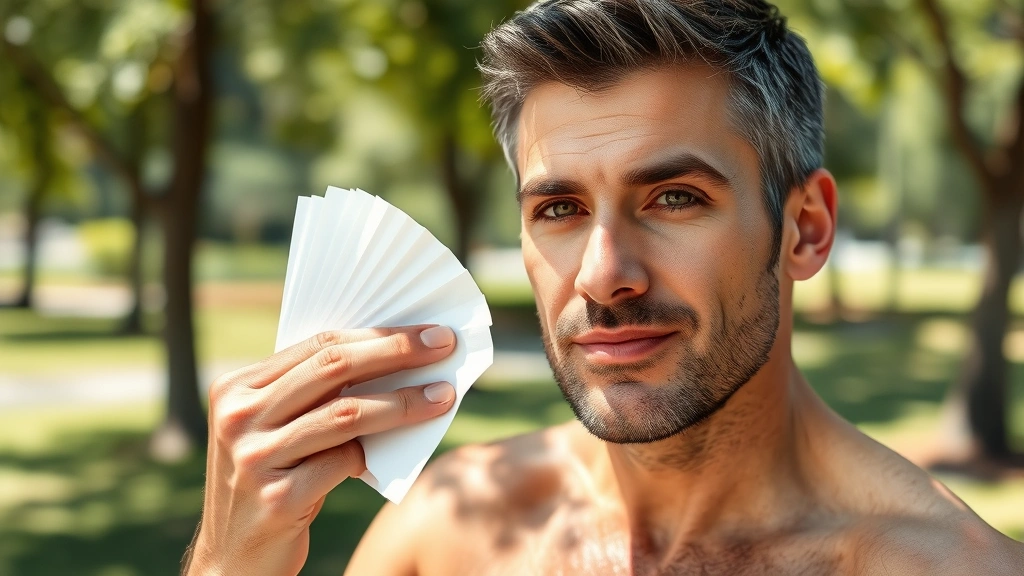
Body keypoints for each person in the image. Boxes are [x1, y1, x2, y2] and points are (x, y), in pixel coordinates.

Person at [183, 1, 1024, 574]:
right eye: (559, 207)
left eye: (674, 198)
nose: (602, 274)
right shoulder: (444, 534)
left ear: (804, 227)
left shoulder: (942, 565)